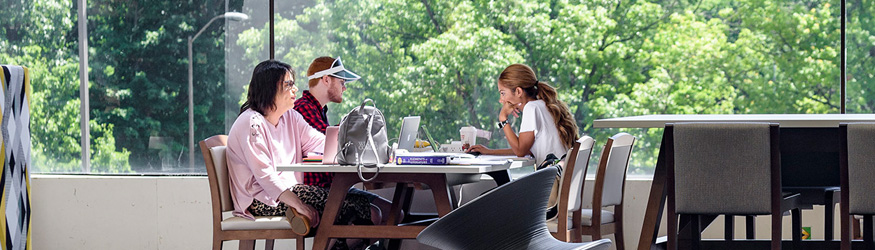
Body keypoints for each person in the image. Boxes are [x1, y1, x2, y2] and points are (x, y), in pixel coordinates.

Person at [226, 60, 374, 249]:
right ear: (270, 88)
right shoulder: (251, 123)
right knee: (349, 206)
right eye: (288, 84)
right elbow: (265, 175)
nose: (296, 89)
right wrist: (299, 204)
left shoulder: (290, 117)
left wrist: (356, 145)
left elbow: (319, 143)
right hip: (260, 200)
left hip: (289, 190)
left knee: (359, 202)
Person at [294, 56, 393, 225]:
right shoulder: (303, 108)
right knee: (375, 215)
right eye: (341, 82)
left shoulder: (319, 111)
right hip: (318, 190)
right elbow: (329, 147)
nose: (345, 88)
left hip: (333, 187)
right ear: (326, 79)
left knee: (393, 213)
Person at [467, 64, 579, 165]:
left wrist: (503, 119)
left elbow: (520, 151)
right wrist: (490, 152)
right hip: (557, 179)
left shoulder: (531, 108)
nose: (501, 100)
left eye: (503, 93)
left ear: (518, 92)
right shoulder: (543, 105)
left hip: (550, 183)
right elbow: (527, 149)